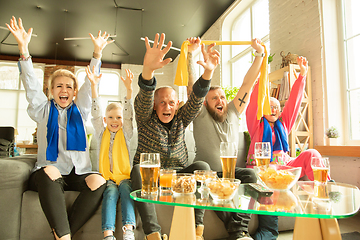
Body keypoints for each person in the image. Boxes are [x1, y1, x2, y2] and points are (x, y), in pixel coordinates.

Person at [6, 16, 113, 240]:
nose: (64, 90)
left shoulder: (81, 109)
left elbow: (90, 84)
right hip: (47, 173)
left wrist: (97, 54)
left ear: (74, 92)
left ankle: (64, 235)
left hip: (77, 172)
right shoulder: (43, 110)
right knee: (51, 171)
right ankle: (63, 236)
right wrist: (24, 49)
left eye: (69, 87)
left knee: (99, 181)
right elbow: (31, 84)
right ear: (51, 90)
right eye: (59, 86)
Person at [130, 33, 220, 240]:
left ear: (177, 104)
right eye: (162, 102)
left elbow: (197, 99)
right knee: (136, 169)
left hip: (178, 176)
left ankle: (197, 229)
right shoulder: (145, 117)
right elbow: (144, 97)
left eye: (171, 102)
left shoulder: (181, 117)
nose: (167, 106)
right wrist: (148, 71)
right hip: (150, 178)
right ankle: (152, 233)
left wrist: (208, 73)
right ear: (155, 105)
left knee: (203, 167)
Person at [246, 56, 330, 240]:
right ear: (264, 109)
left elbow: (293, 103)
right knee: (267, 182)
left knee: (312, 153)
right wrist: (261, 76)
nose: (274, 109)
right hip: (264, 168)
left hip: (286, 168)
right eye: (270, 106)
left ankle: (325, 192)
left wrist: (302, 75)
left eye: (277, 106)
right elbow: (253, 103)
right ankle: (268, 231)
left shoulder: (284, 124)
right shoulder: (256, 125)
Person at [189, 37, 264, 240]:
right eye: (214, 98)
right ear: (205, 103)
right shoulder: (200, 113)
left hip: (230, 174)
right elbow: (193, 89)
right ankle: (239, 232)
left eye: (222, 97)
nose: (220, 100)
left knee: (251, 175)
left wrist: (259, 54)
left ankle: (238, 229)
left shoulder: (232, 110)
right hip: (208, 175)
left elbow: (248, 83)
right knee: (208, 181)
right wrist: (191, 54)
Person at [88, 66, 136, 240]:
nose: (115, 121)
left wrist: (129, 90)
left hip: (124, 176)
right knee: (110, 194)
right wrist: (94, 87)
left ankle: (128, 229)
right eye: (111, 118)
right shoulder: (102, 132)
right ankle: (108, 233)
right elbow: (94, 114)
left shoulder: (127, 132)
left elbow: (129, 115)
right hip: (107, 177)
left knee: (126, 190)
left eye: (118, 117)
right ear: (105, 120)